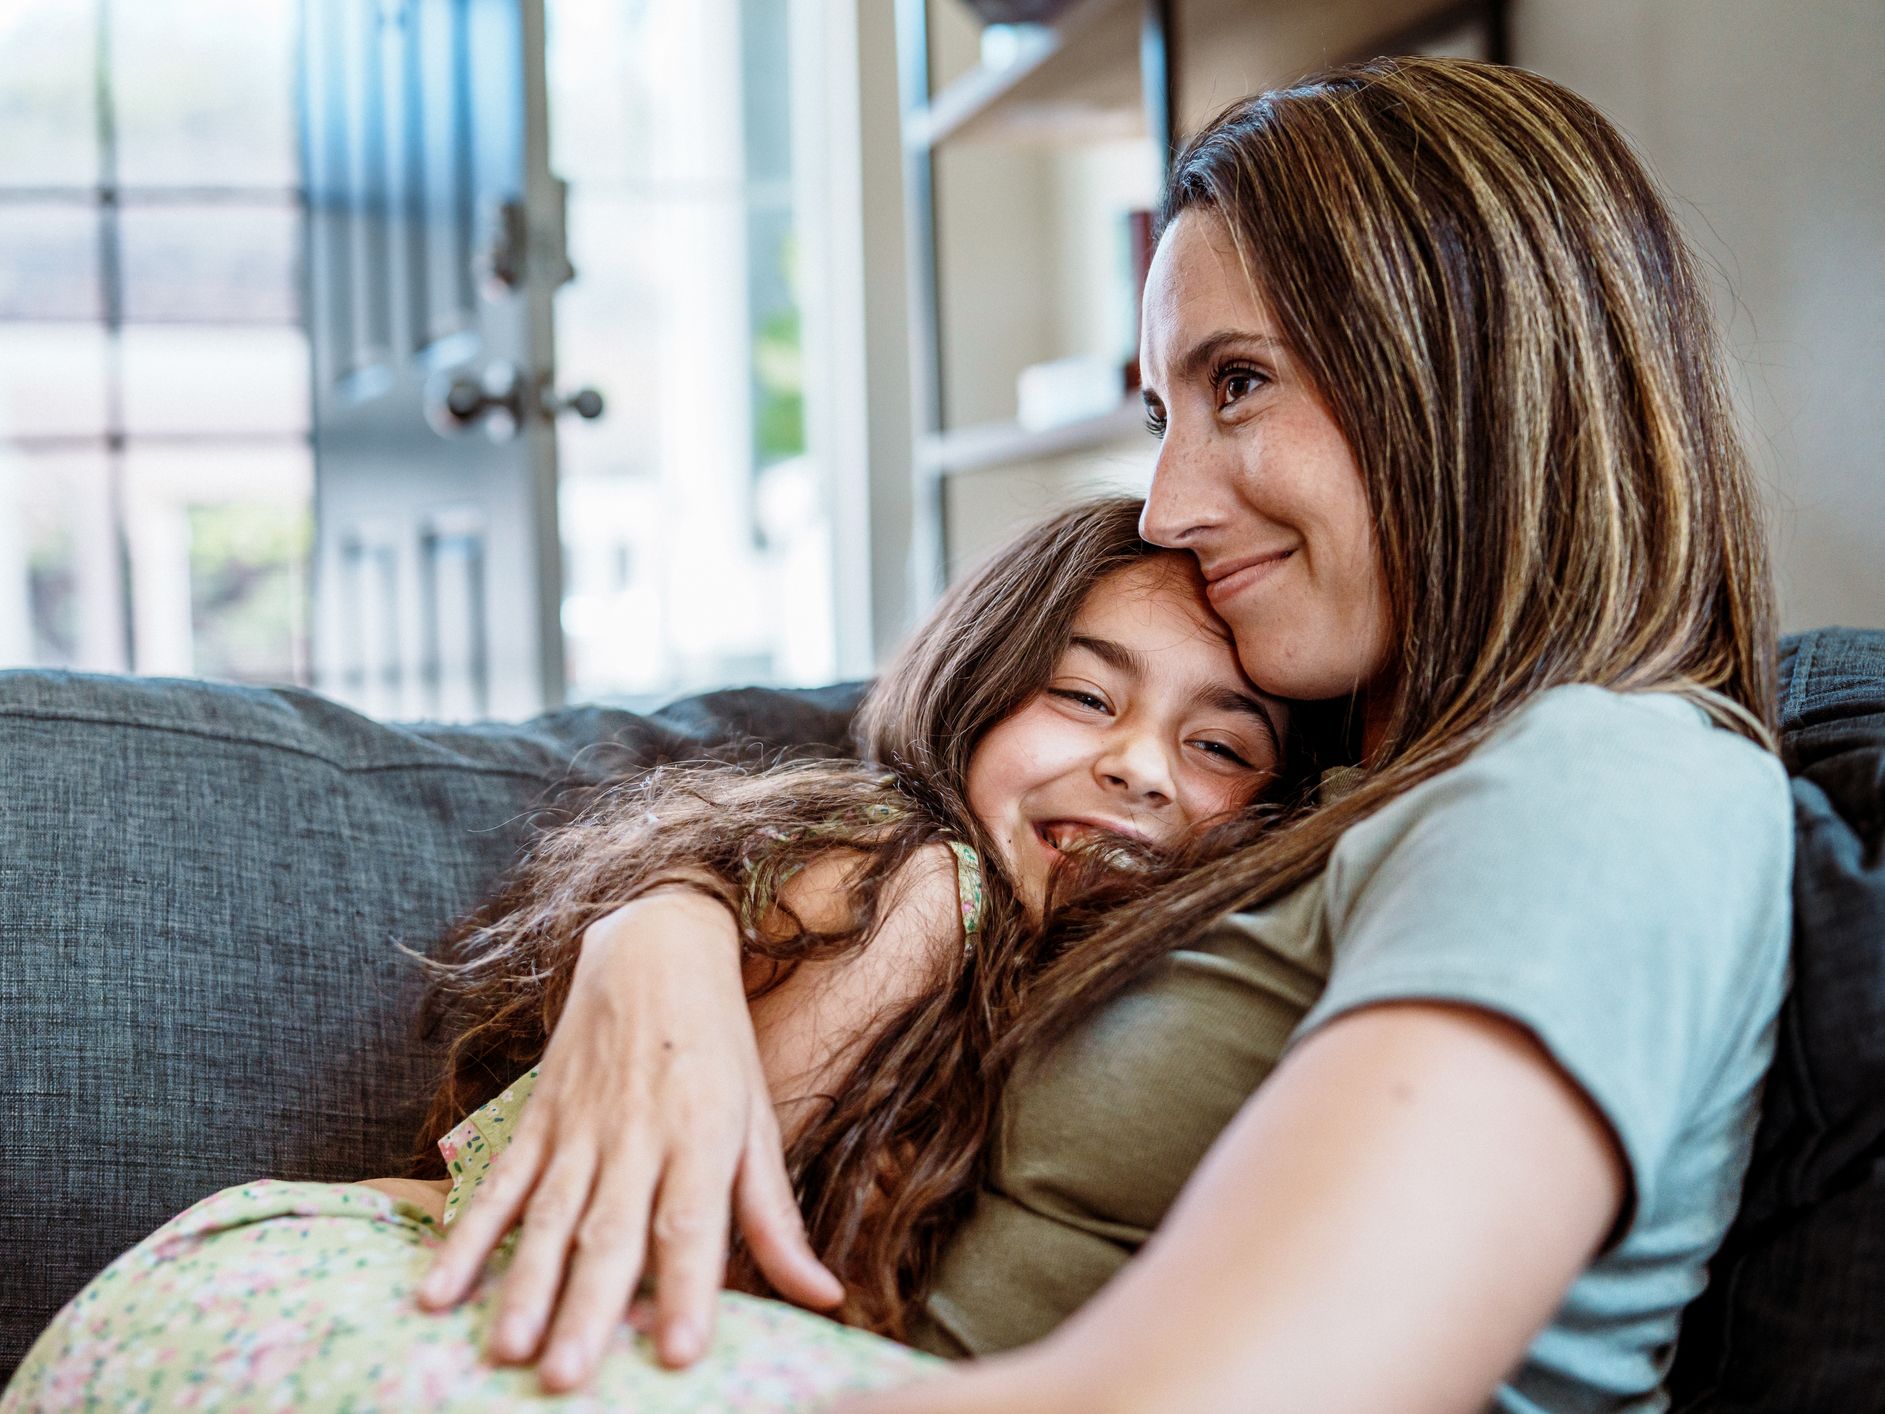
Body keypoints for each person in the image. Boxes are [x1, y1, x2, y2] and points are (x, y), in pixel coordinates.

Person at [419, 56, 1795, 1413]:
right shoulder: (1337, 779)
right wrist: (663, 924)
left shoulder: (1601, 784)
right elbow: (918, 772)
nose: (1165, 506)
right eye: (1160, 413)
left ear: (1471, 377)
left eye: (1238, 382)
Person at [1, 497, 1291, 1410]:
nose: (1141, 767)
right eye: (1085, 696)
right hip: (333, 1304)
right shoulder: (918, 886)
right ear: (973, 689)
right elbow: (719, 1260)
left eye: (1220, 747)